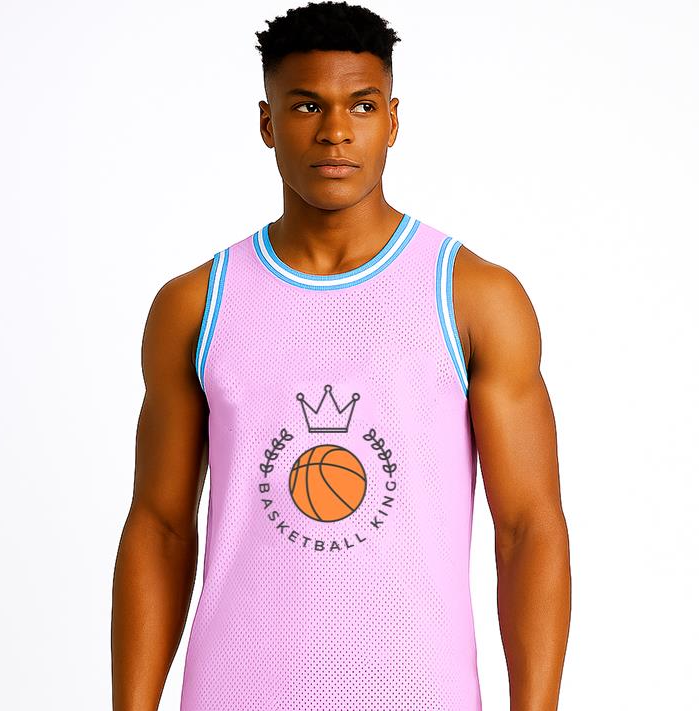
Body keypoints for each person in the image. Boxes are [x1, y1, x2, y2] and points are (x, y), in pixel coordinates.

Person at [111, 2, 571, 709]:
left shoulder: (473, 296)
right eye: (306, 106)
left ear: (392, 119)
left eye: (361, 104)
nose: (335, 131)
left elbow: (528, 529)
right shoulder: (196, 304)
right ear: (267, 123)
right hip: (238, 692)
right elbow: (161, 527)